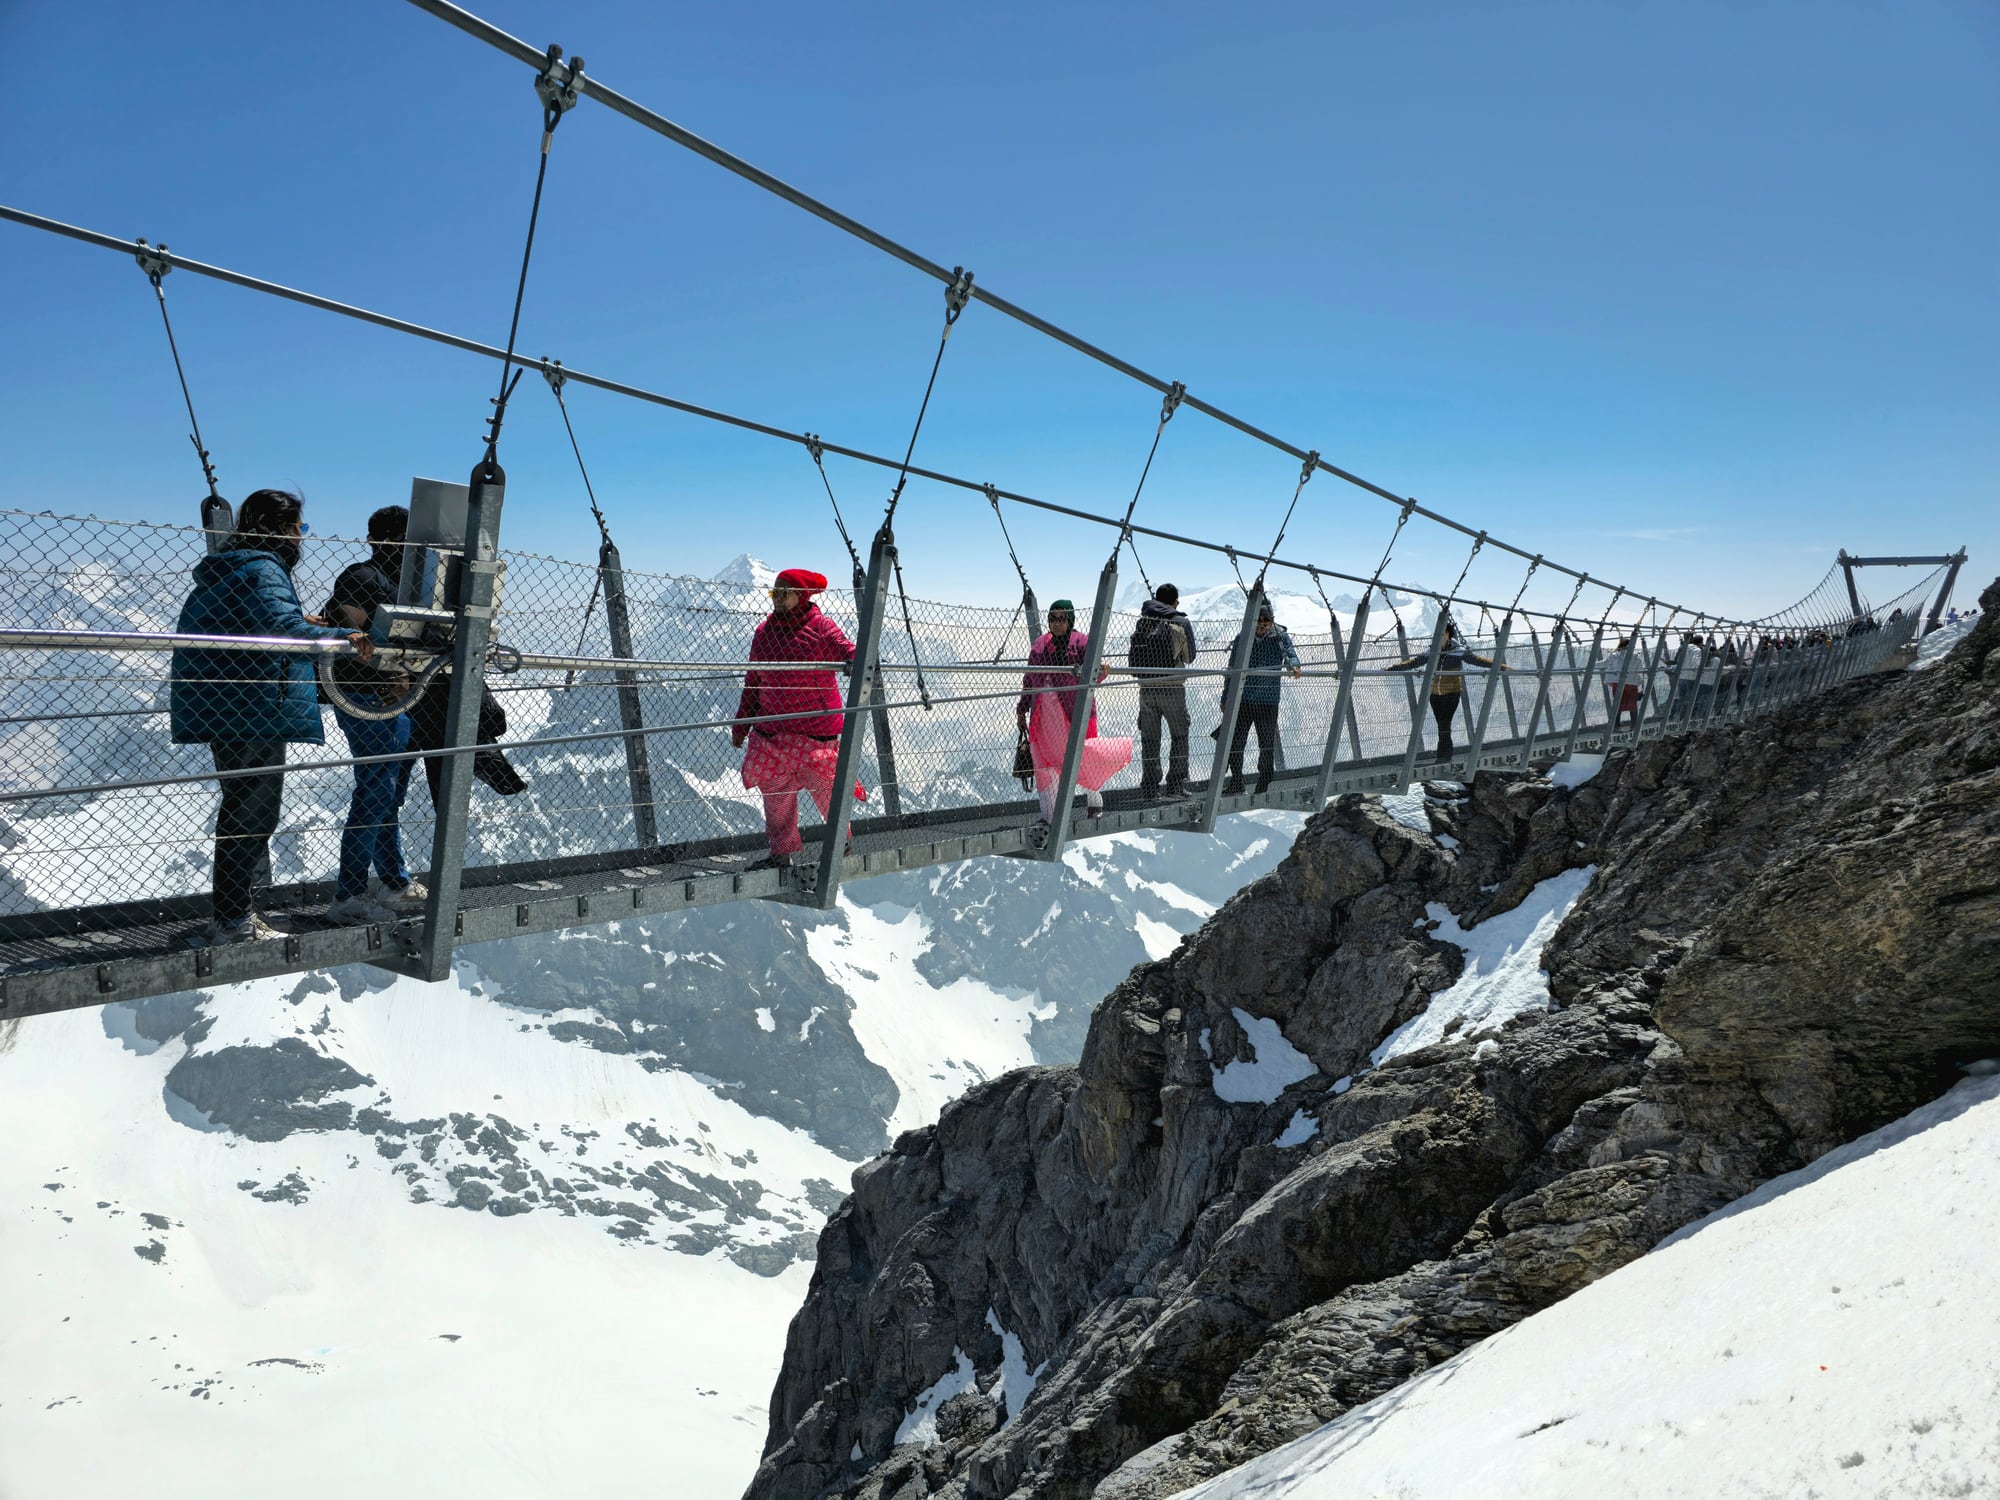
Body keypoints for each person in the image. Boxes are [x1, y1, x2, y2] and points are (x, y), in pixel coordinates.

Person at [169, 488, 372, 946]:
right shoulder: (263, 567)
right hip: (252, 705)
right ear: (280, 529)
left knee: (243, 809)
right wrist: (345, 635)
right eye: (299, 528)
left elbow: (260, 619)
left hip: (228, 702)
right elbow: (278, 627)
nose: (302, 538)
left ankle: (233, 915)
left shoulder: (235, 567)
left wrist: (301, 618)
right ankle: (233, 922)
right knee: (254, 813)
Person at [319, 505, 424, 924]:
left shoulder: (397, 582)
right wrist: (389, 673)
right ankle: (349, 895)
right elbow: (349, 633)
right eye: (400, 539)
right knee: (377, 789)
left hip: (391, 697)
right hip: (367, 697)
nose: (405, 548)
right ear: (379, 540)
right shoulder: (361, 578)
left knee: (388, 792)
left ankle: (394, 882)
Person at [733, 568, 858, 871]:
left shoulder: (821, 628)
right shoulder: (763, 633)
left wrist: (855, 663)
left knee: (826, 789)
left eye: (783, 593)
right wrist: (742, 723)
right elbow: (754, 683)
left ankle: (841, 843)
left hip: (814, 734)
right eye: (774, 593)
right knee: (776, 797)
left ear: (800, 596)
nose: (776, 599)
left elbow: (851, 652)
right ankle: (780, 854)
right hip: (771, 735)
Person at [1016, 599, 1133, 840]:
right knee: (1046, 764)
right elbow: (1029, 679)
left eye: (1061, 618)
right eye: (1052, 618)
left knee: (1082, 757)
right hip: (1044, 717)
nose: (1056, 623)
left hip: (1073, 716)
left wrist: (1102, 669)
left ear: (1070, 619)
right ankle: (1049, 814)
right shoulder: (1040, 645)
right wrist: (1021, 709)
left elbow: (1094, 672)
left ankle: (1094, 802)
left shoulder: (1081, 642)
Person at [1389, 620, 1503, 762]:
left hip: (1452, 694)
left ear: (1448, 635)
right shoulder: (1432, 651)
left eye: (1442, 634)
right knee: (1442, 724)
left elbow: (1477, 660)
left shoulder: (1459, 652)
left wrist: (1499, 665)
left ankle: (1443, 757)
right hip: (1434, 694)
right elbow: (1414, 662)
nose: (1439, 637)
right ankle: (1444, 755)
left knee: (1444, 723)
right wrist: (1392, 668)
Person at [1222, 599, 1301, 793]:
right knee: (1236, 741)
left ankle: (1264, 780)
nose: (1262, 626)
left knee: (1265, 742)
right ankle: (1236, 781)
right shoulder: (1243, 638)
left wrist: (1294, 665)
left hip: (1268, 699)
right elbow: (1232, 669)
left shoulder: (1280, 637)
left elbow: (1290, 653)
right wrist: (1226, 697)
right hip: (1244, 698)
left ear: (1271, 621)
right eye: (1258, 621)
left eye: (1266, 622)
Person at [1128, 583, 1197, 797]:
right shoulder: (1180, 621)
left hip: (1147, 687)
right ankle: (1175, 785)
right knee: (1179, 735)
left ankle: (1150, 788)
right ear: (1175, 602)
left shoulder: (1144, 620)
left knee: (1150, 739)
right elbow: (1190, 656)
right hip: (1172, 687)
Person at [1600, 635, 1643, 730]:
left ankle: (1616, 726)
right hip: (1632, 683)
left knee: (1617, 705)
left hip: (1618, 683)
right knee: (1632, 705)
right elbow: (1641, 671)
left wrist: (1589, 665)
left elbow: (1604, 663)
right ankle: (1634, 726)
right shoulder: (1636, 657)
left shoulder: (1614, 655)